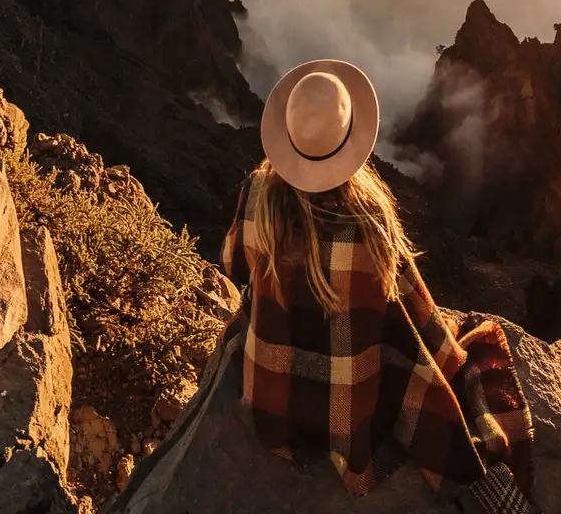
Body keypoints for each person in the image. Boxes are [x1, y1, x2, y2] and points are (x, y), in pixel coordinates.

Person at [220, 59, 539, 513]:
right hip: (348, 429)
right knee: (412, 359)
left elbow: (232, 264)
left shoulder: (256, 192)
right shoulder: (368, 224)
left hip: (272, 414)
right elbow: (411, 314)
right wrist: (442, 356)